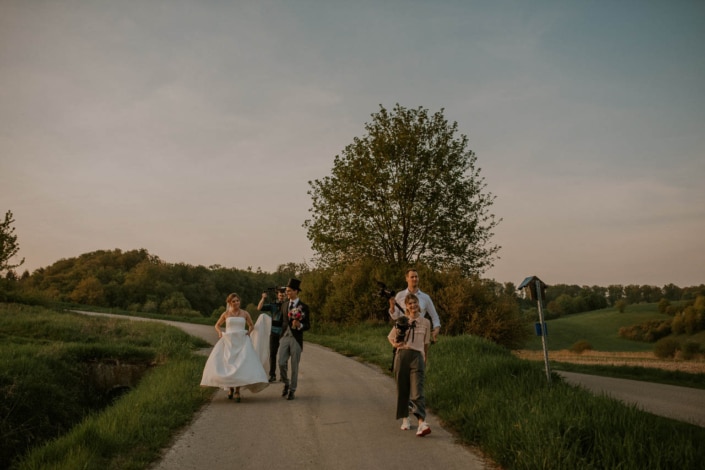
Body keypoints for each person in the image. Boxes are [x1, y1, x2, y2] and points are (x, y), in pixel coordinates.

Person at [200, 293, 270, 402]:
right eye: (234, 301)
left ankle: (237, 391)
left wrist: (248, 333)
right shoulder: (226, 314)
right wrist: (219, 332)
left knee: (240, 365)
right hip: (229, 342)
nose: (236, 303)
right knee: (229, 364)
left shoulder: (245, 313)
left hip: (241, 342)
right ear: (229, 303)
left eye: (237, 300)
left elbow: (251, 325)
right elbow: (217, 325)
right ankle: (230, 389)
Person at [388, 293, 432, 436]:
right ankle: (405, 418)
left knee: (417, 391)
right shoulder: (402, 320)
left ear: (418, 304)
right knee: (403, 389)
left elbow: (426, 343)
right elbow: (390, 337)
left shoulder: (425, 322)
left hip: (417, 356)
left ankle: (421, 423)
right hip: (402, 356)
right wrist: (395, 344)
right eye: (410, 304)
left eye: (415, 302)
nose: (413, 305)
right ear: (407, 306)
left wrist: (424, 357)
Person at [278, 278, 311, 401]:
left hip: (296, 338)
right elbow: (282, 322)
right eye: (286, 291)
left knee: (294, 366)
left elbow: (307, 325)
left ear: (296, 291)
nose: (287, 293)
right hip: (285, 337)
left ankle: (292, 390)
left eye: (290, 291)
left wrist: (300, 325)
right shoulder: (284, 305)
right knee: (281, 363)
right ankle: (286, 382)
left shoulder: (304, 307)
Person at [388, 268, 441, 343]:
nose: (415, 279)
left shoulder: (425, 297)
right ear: (407, 279)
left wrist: (437, 327)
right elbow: (395, 317)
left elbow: (434, 316)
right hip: (402, 333)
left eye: (416, 276)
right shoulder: (400, 295)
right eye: (412, 277)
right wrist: (392, 306)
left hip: (419, 334)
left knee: (420, 353)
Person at [257, 287, 287, 382]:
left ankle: (283, 376)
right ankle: (272, 375)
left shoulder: (288, 305)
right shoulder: (273, 305)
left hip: (284, 332)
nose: (282, 297)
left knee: (283, 355)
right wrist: (263, 298)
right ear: (277, 295)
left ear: (286, 296)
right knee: (273, 354)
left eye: (283, 295)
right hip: (273, 332)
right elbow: (259, 308)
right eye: (280, 295)